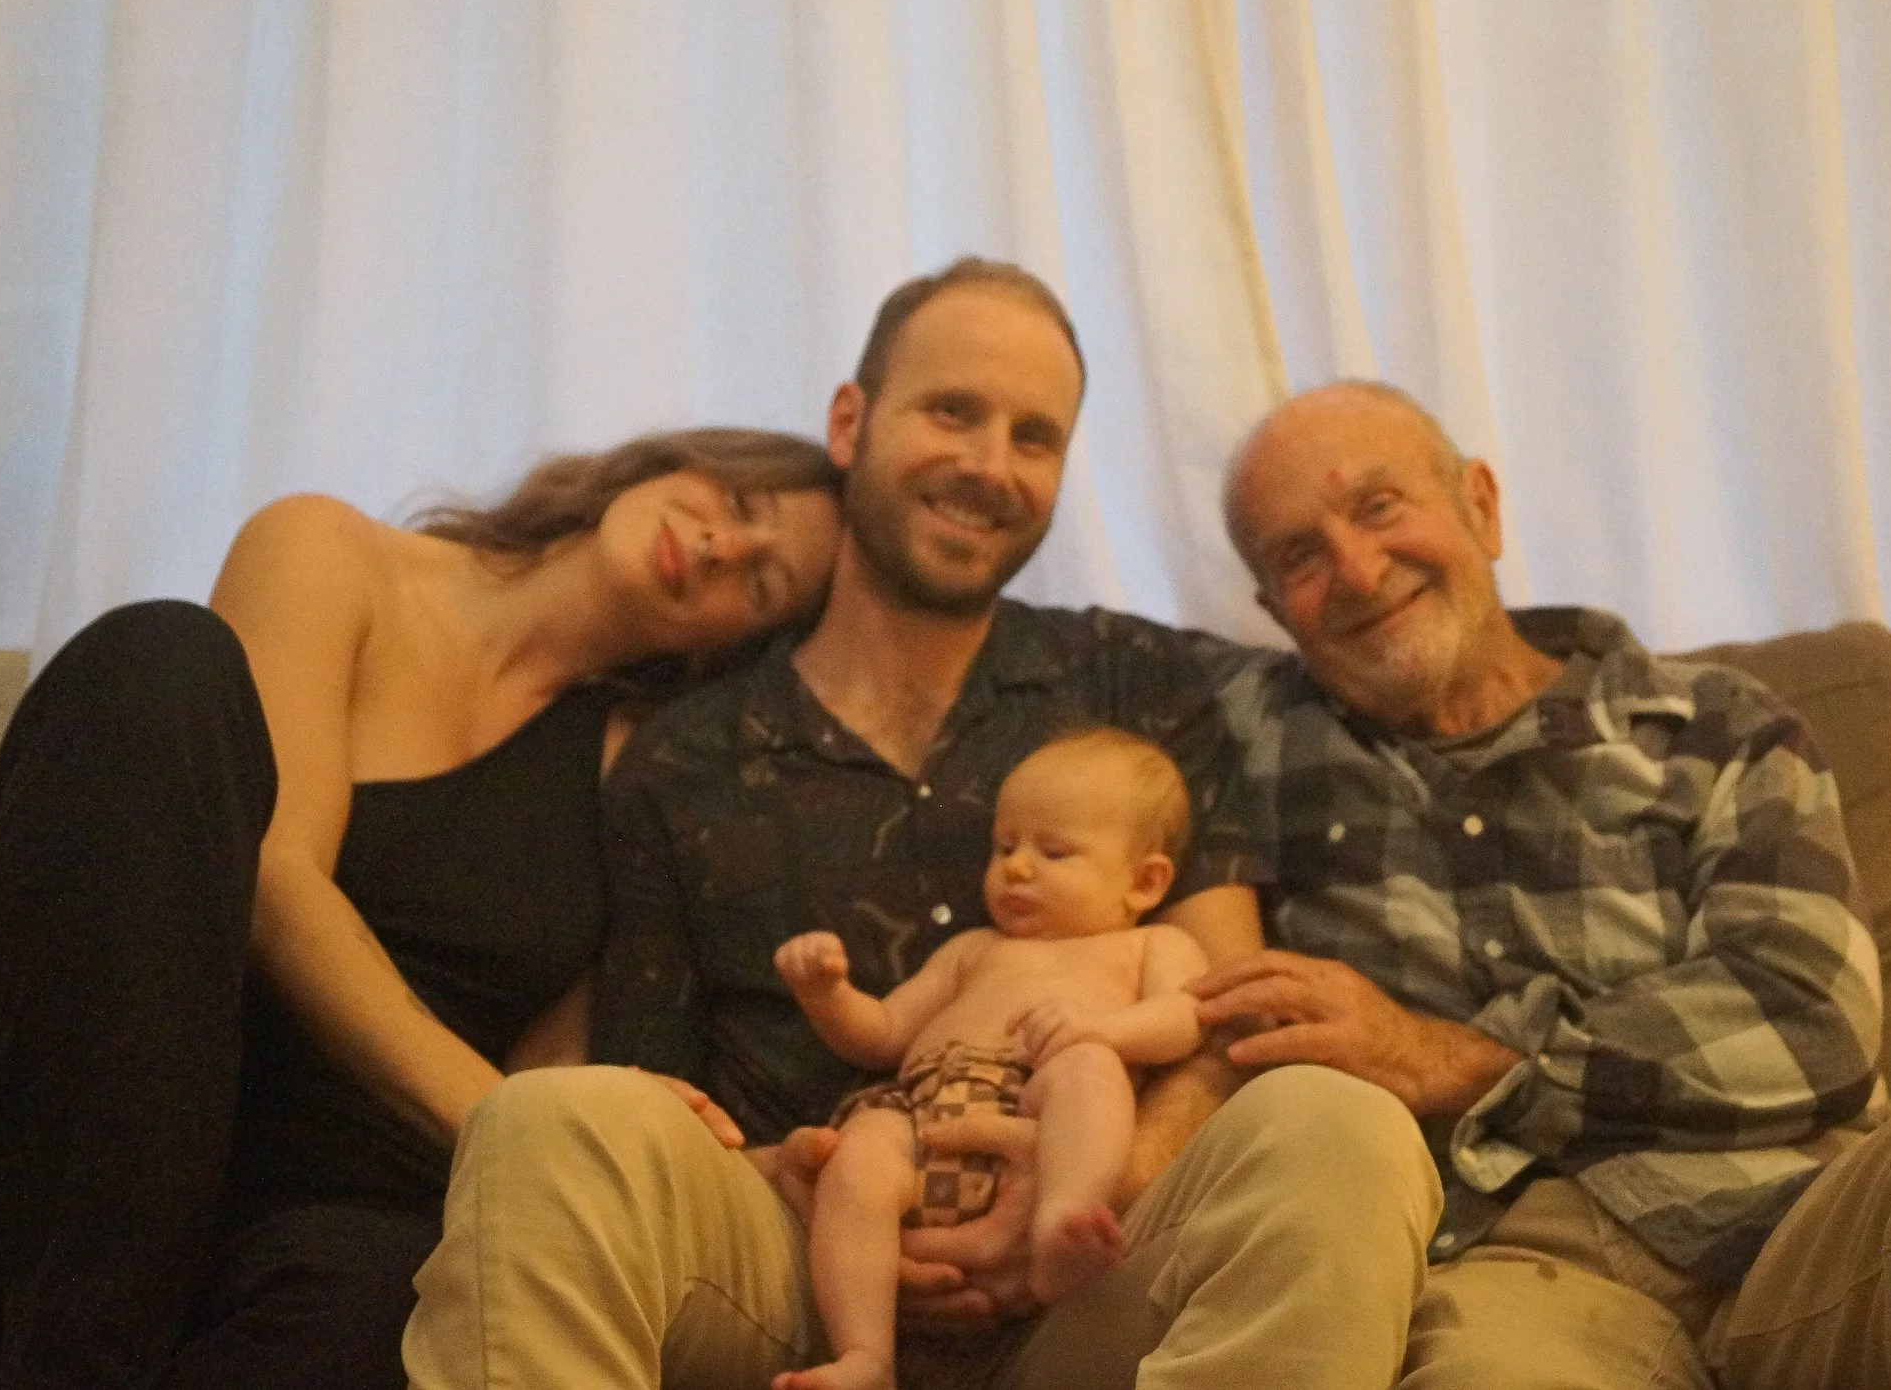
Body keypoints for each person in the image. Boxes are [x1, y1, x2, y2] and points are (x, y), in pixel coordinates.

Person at [402, 259, 1438, 1390]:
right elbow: (659, 1087)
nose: (990, 465)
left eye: (1034, 437)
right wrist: (786, 1169)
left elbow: (1225, 1015)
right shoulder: (684, 756)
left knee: (1338, 1126)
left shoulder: (1135, 682)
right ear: (851, 422)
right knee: (547, 1121)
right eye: (952, 411)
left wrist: (1101, 1178)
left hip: (1095, 1247)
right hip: (802, 1261)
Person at [1197, 378, 1891, 1388]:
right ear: (1272, 610)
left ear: (1482, 504)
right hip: (1516, 1261)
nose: (1358, 568)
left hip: (1806, 1212)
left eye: (1380, 505)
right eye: (1299, 556)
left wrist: (1458, 1058)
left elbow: (1807, 1017)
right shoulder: (1247, 744)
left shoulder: (1719, 724)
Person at [0, 428, 845, 1390]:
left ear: (735, 650)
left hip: (329, 1238)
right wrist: (505, 1120)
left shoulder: (636, 775)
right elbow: (276, 882)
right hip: (81, 1173)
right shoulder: (326, 553)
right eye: (739, 503)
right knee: (159, 662)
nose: (723, 546)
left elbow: (549, 1071)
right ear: (676, 462)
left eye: (761, 584)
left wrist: (701, 1170)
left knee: (407, 1292)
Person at [773, 727, 1208, 1390]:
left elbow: (1186, 1018)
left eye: (1053, 851)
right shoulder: (973, 949)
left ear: (1144, 882)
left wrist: (1102, 1031)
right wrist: (827, 994)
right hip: (920, 1115)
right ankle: (865, 1355)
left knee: (1087, 1068)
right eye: (1005, 847)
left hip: (1034, 1110)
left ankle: (1065, 1217)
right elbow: (883, 1034)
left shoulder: (1152, 946)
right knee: (856, 1157)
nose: (1016, 868)